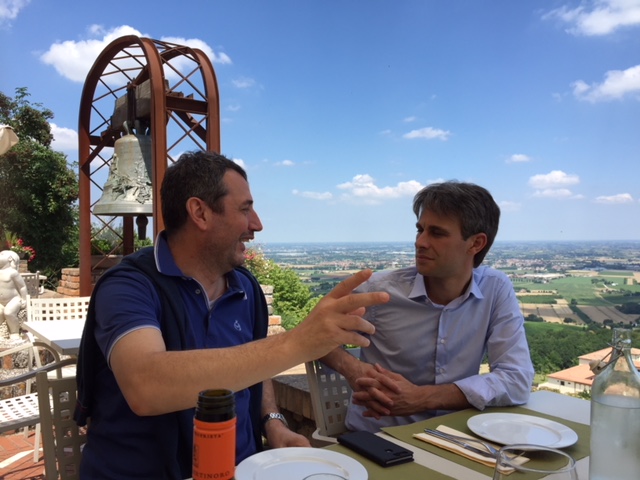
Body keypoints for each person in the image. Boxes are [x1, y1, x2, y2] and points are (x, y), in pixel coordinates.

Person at [75, 151, 389, 479]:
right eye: (245, 209)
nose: (257, 224)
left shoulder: (245, 288)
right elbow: (146, 385)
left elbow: (251, 365)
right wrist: (299, 342)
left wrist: (273, 422)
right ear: (200, 212)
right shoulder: (128, 286)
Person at [321, 181, 534, 433]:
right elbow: (315, 335)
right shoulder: (379, 291)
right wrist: (353, 369)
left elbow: (517, 378)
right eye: (420, 230)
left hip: (455, 438)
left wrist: (422, 398)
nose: (420, 242)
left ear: (475, 244)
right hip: (378, 438)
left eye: (437, 233)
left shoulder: (495, 289)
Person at [0, 250, 28, 339]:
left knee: (8, 312)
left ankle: (14, 332)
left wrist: (24, 299)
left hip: (13, 299)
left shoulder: (13, 273)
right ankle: (2, 331)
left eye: (1, 254)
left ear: (10, 259)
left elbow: (22, 287)